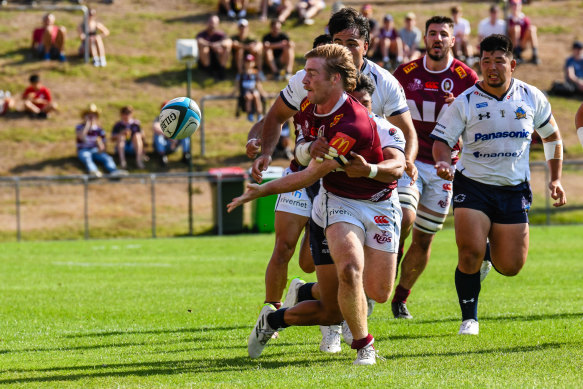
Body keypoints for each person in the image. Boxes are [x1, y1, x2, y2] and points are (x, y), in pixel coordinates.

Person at [229, 44, 405, 365]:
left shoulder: (354, 123)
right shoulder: (309, 105)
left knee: (370, 295)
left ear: (334, 79)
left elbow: (308, 175)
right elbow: (300, 150)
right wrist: (307, 146)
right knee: (350, 271)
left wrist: (259, 191)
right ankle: (365, 346)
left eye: (311, 73)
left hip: (378, 204)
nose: (304, 79)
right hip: (337, 201)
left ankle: (276, 317)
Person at [431, 34, 566, 335]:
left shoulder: (531, 97)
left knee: (511, 266)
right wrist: (442, 161)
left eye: (499, 61)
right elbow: (441, 141)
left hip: (513, 189)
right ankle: (470, 318)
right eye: (486, 61)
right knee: (468, 253)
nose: (492, 67)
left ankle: (487, 255)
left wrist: (555, 178)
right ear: (480, 64)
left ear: (513, 64)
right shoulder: (465, 102)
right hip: (473, 185)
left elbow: (552, 137)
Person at [251, 7, 418, 187]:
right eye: (338, 42)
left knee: (407, 215)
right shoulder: (305, 77)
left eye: (352, 44)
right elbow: (276, 115)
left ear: (366, 47)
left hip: (363, 173)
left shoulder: (385, 82)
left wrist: (406, 162)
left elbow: (407, 132)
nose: (343, 50)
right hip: (313, 167)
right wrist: (266, 152)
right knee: (289, 213)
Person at [391, 16, 479, 320]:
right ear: (424, 39)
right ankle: (387, 265)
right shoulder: (405, 73)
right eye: (432, 34)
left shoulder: (467, 78)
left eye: (444, 34)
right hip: (409, 161)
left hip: (445, 167)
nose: (437, 38)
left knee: (425, 236)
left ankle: (400, 296)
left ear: (453, 40)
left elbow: (480, 121)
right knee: (403, 217)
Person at [76, 104, 127, 178]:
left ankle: (114, 171)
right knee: (86, 157)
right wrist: (87, 125)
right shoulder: (80, 127)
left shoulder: (99, 130)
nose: (91, 117)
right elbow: (81, 137)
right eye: (89, 115)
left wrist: (101, 146)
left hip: (96, 150)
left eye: (93, 115)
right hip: (83, 150)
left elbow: (104, 147)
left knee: (107, 158)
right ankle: (93, 171)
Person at [152, 102, 191, 168]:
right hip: (165, 143)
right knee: (158, 136)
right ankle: (162, 156)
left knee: (185, 134)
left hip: (174, 143)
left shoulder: (176, 119)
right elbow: (156, 128)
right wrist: (171, 138)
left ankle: (185, 155)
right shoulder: (158, 119)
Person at [196, 15, 232, 80]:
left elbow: (228, 41)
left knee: (226, 48)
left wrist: (218, 45)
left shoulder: (221, 34)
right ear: (207, 23)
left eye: (214, 23)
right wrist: (211, 45)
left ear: (218, 24)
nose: (212, 25)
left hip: (218, 57)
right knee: (204, 49)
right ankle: (208, 70)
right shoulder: (202, 34)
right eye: (211, 22)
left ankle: (222, 70)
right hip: (205, 59)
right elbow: (199, 41)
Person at [508, 0, 540, 64]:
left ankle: (535, 55)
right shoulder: (508, 20)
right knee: (516, 28)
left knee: (532, 28)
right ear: (511, 6)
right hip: (512, 45)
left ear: (521, 6)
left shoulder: (524, 19)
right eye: (513, 5)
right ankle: (516, 55)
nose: (515, 7)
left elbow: (528, 32)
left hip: (522, 43)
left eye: (517, 5)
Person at [237, 54, 267, 122]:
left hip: (253, 89)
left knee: (256, 95)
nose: (249, 64)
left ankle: (259, 114)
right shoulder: (242, 73)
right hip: (245, 90)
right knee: (249, 96)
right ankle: (249, 113)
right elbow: (238, 84)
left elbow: (258, 84)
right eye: (247, 62)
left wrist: (262, 92)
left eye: (250, 62)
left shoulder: (255, 73)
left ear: (254, 63)